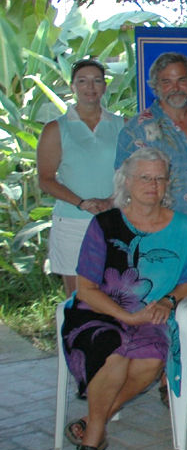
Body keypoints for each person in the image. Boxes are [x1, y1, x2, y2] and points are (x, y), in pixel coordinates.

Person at [59, 147, 187, 450]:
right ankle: (91, 441)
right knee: (112, 352)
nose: (153, 185)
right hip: (98, 310)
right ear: (126, 181)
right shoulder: (105, 223)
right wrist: (126, 317)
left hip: (152, 312)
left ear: (168, 183)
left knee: (150, 361)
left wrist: (168, 300)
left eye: (160, 178)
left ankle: (93, 421)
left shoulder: (184, 227)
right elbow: (86, 288)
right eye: (144, 178)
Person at [116, 52, 187, 274]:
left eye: (182, 80)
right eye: (167, 82)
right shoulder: (136, 129)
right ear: (155, 86)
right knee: (162, 293)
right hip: (158, 237)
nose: (175, 88)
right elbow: (123, 189)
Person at [38, 59, 125, 296]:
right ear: (73, 86)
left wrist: (111, 201)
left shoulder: (122, 125)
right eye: (83, 81)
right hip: (72, 222)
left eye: (97, 81)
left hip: (114, 218)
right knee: (77, 298)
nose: (90, 87)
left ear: (105, 86)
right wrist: (82, 203)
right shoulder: (56, 128)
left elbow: (134, 173)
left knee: (115, 294)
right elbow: (45, 179)